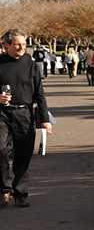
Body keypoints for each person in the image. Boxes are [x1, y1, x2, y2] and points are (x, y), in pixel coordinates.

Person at [0, 28, 51, 208]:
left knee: (23, 154)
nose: (22, 47)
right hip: (2, 113)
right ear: (6, 45)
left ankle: (20, 193)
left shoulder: (31, 64)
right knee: (1, 151)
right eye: (17, 44)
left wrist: (45, 119)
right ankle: (4, 190)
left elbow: (40, 94)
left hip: (25, 114)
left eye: (24, 44)